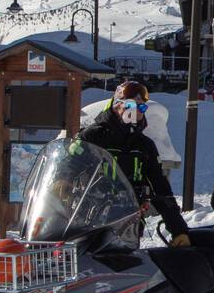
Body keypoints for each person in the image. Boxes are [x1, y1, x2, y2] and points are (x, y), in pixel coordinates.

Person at [77, 81, 190, 247]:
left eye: (141, 107)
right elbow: (67, 169)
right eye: (130, 104)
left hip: (128, 226)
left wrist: (178, 229)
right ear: (116, 105)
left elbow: (160, 188)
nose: (135, 111)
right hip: (90, 223)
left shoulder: (144, 145)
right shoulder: (92, 137)